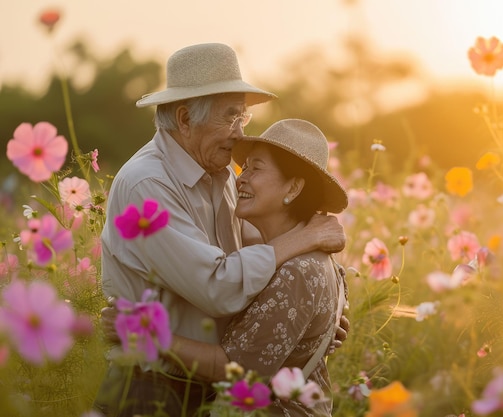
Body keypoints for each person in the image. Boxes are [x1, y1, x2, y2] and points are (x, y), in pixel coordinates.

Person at [94, 43, 347, 417]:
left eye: (242, 117)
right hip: (151, 386)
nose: (240, 133)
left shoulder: (222, 173)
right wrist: (305, 238)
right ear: (184, 119)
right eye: (231, 117)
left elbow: (261, 254)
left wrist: (316, 315)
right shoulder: (146, 185)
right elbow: (217, 285)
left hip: (206, 387)